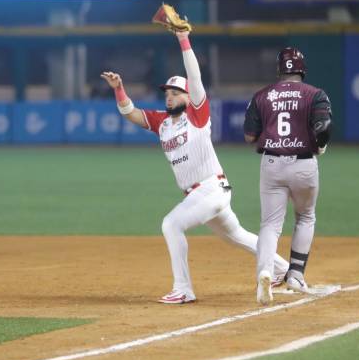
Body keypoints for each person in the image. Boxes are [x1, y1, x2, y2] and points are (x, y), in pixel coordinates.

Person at [100, 30, 289, 304]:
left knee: (171, 224)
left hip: (211, 188)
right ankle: (282, 268)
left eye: (176, 93)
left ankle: (184, 288)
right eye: (167, 92)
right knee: (236, 235)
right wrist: (119, 89)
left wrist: (183, 39)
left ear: (189, 97)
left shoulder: (197, 115)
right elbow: (131, 112)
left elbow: (195, 77)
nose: (170, 97)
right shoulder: (162, 122)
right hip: (199, 194)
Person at [243, 47, 333, 305]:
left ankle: (265, 272)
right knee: (305, 216)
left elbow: (249, 136)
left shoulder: (262, 95)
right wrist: (320, 143)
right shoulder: (316, 94)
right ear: (302, 69)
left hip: (271, 162)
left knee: (270, 224)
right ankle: (295, 275)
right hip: (304, 164)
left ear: (280, 69)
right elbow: (323, 128)